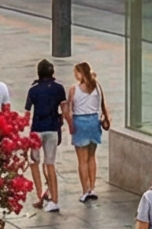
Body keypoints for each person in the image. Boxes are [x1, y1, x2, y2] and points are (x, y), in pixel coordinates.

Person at [24, 61, 66, 214]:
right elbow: (64, 109)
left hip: (37, 129)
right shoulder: (59, 88)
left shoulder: (33, 89)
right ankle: (54, 200)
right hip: (53, 128)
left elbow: (28, 112)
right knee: (50, 164)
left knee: (35, 161)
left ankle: (40, 194)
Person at [69, 62, 109, 205]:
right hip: (94, 122)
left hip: (80, 122)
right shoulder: (97, 86)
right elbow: (103, 104)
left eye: (76, 72)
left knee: (82, 160)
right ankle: (92, 187)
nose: (74, 75)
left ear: (80, 73)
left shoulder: (74, 89)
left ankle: (85, 190)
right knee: (92, 157)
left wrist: (69, 125)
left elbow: (69, 108)